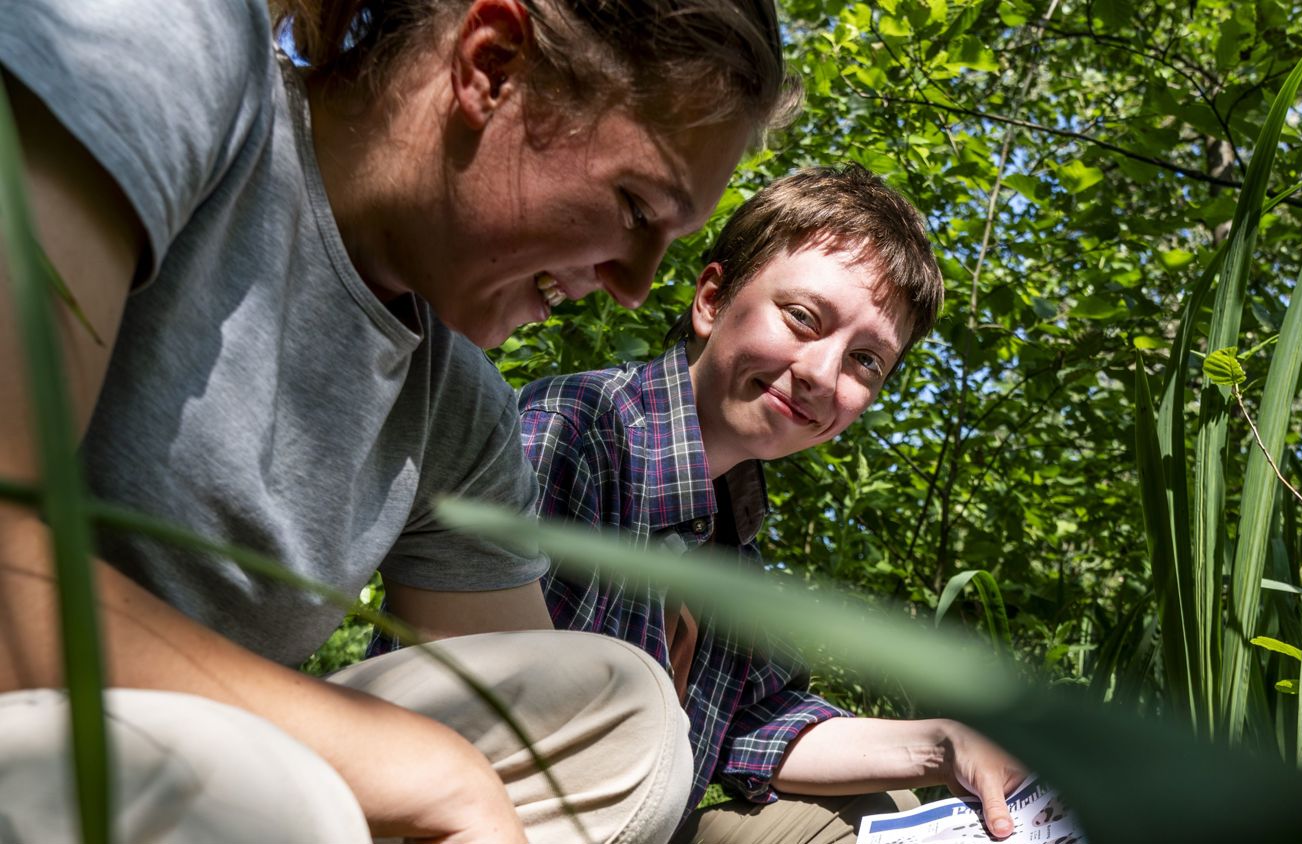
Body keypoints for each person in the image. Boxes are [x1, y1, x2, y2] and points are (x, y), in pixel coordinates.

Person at [0, 0, 797, 841]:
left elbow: (538, 735)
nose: (638, 284)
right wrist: (426, 773)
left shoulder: (453, 405)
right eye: (637, 207)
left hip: (190, 765)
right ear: (491, 66)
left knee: (624, 717)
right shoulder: (166, 43)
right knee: (278, 797)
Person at [519, 165, 1026, 844]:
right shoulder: (576, 433)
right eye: (802, 318)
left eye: (866, 362)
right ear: (711, 300)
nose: (821, 374)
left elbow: (760, 722)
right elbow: (480, 708)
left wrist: (945, 743)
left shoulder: (729, 539)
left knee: (889, 810)